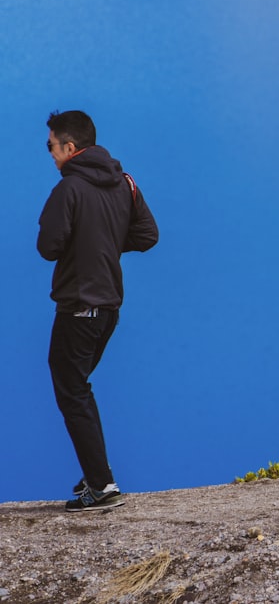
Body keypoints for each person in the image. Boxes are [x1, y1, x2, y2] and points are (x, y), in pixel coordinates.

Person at [37, 110, 159, 512]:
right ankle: (95, 472)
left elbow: (48, 247)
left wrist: (88, 241)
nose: (50, 154)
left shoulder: (69, 189)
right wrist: (102, 241)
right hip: (108, 310)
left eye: (51, 146)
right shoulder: (125, 183)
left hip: (77, 308)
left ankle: (102, 485)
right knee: (78, 388)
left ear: (70, 148)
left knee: (71, 392)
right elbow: (147, 235)